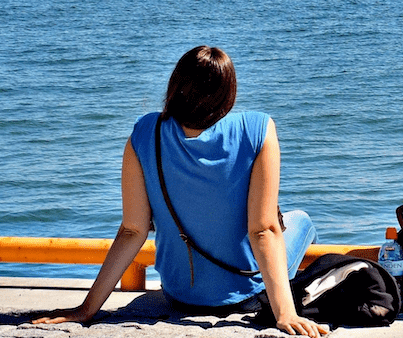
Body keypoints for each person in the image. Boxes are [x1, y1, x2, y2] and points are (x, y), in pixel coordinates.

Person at [33, 47, 328, 337]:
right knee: (300, 221)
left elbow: (132, 231)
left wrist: (86, 309)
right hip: (246, 295)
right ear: (228, 91)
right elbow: (262, 230)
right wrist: (286, 315)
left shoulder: (145, 132)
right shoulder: (257, 129)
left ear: (176, 85)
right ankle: (294, 292)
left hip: (178, 295)